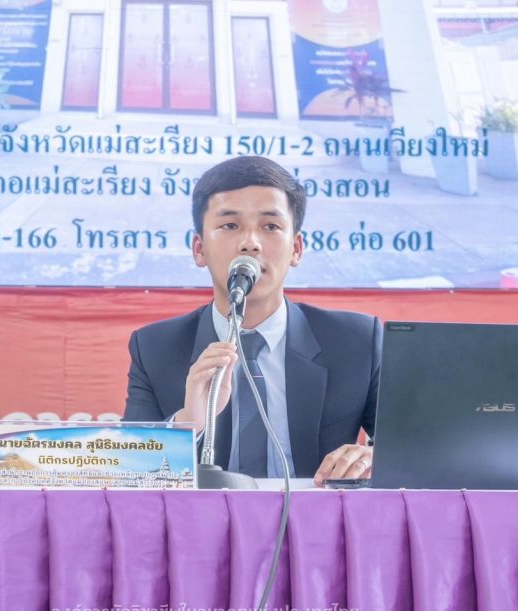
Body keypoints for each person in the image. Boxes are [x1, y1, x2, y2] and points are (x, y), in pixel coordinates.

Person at [122, 156, 381, 485]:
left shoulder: (357, 341)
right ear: (199, 249)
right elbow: (129, 471)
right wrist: (189, 423)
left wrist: (374, 457)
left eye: (270, 226)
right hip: (205, 517)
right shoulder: (155, 347)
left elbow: (414, 452)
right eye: (230, 226)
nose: (250, 243)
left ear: (296, 248)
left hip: (316, 516)